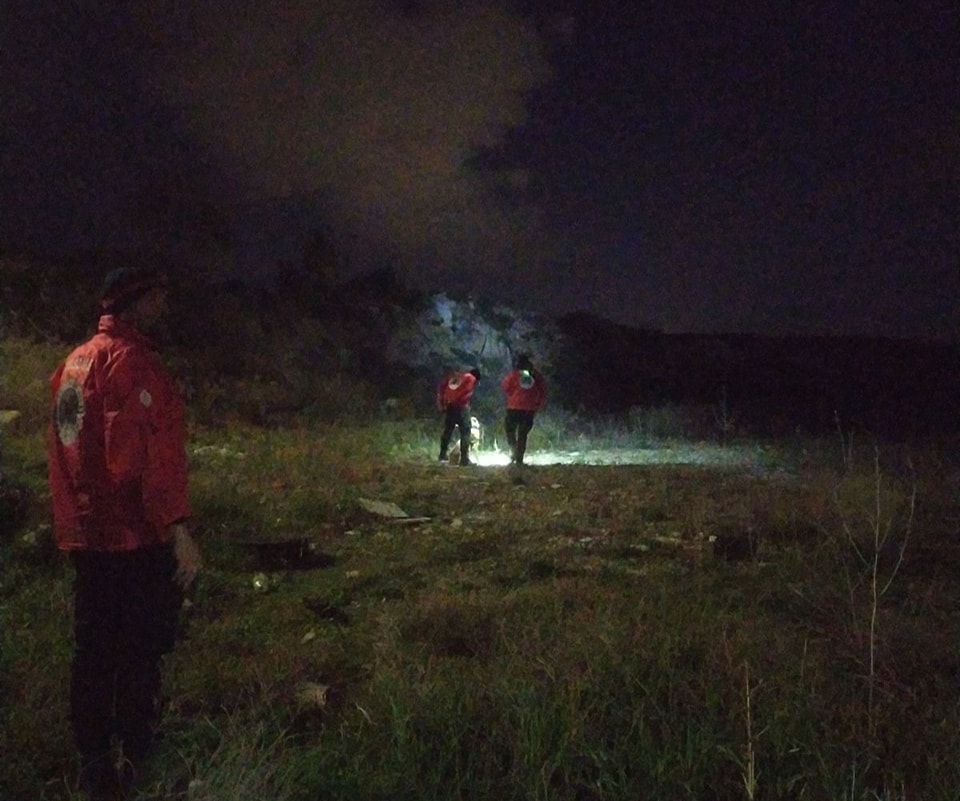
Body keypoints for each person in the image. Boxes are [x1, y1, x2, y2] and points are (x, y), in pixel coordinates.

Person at [48, 266, 202, 799]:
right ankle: (138, 760)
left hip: (87, 534)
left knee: (93, 649)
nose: (164, 306)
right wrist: (177, 529)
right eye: (157, 297)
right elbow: (142, 459)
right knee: (140, 649)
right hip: (132, 535)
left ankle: (93, 761)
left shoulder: (73, 363)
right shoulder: (133, 364)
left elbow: (65, 449)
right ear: (136, 302)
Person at [501, 354, 547, 465]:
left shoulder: (513, 375)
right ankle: (519, 459)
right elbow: (543, 390)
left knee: (510, 430)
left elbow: (505, 387)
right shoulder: (536, 376)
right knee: (523, 434)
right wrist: (538, 404)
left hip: (514, 407)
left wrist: (513, 396)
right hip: (529, 409)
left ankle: (514, 450)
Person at [436, 367, 481, 466]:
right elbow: (467, 392)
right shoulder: (471, 378)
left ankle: (442, 455)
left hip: (449, 406)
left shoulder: (456, 377)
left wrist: (442, 403)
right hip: (461, 407)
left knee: (448, 431)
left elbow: (442, 387)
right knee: (465, 432)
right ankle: (464, 459)